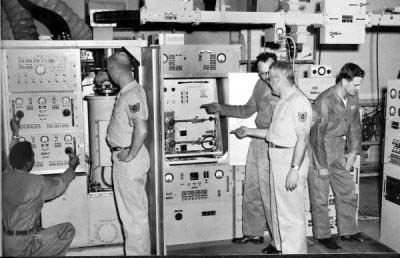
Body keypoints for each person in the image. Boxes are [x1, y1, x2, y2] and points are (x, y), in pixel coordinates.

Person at [201, 52, 279, 253]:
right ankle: (253, 232)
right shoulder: (261, 85)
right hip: (257, 143)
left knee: (269, 194)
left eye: (268, 73)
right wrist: (220, 108)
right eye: (261, 73)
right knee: (252, 190)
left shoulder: (285, 89)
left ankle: (279, 242)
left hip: (273, 144)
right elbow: (247, 110)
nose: (264, 77)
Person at [233, 61, 312, 254]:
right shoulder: (283, 101)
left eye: (270, 80)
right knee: (278, 211)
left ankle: (295, 252)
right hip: (277, 157)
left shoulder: (298, 102)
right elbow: (274, 133)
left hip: (290, 159)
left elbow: (302, 139)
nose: (268, 84)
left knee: (291, 215)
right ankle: (282, 248)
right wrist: (249, 131)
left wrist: (294, 170)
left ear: (278, 79)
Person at [2, 115, 80, 257]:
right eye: (33, 158)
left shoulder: (5, 178)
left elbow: (13, 155)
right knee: (67, 230)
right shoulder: (37, 182)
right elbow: (60, 184)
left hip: (6, 243)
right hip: (25, 245)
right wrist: (72, 168)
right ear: (29, 163)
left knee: (38, 229)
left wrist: (15, 132)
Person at [308, 63, 365, 250]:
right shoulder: (325, 100)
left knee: (347, 190)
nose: (358, 89)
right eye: (355, 85)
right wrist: (321, 165)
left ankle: (348, 231)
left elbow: (355, 125)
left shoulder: (353, 97)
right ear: (344, 81)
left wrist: (354, 150)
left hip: (339, 148)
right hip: (320, 147)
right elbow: (316, 134)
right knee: (320, 196)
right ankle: (323, 235)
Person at [105, 52, 151, 255]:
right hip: (127, 157)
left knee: (133, 217)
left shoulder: (132, 95)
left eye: (109, 70)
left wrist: (130, 155)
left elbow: (142, 129)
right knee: (132, 216)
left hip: (129, 159)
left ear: (114, 70)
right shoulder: (129, 92)